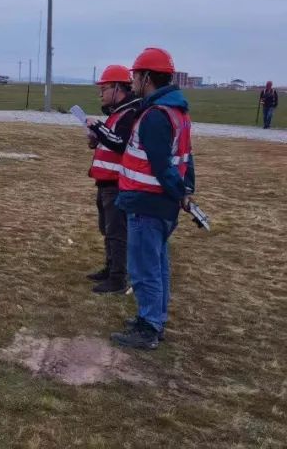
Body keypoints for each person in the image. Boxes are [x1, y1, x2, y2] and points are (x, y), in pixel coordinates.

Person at [111, 47, 196, 350]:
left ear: (147, 77)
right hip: (160, 204)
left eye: (135, 75)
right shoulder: (177, 113)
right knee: (157, 265)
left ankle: (148, 327)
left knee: (145, 267)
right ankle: (154, 319)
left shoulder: (156, 116)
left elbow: (162, 166)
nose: (132, 80)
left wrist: (180, 193)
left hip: (148, 203)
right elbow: (187, 159)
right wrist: (186, 192)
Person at [84, 65, 140, 294]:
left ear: (118, 88)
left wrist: (98, 128)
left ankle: (118, 279)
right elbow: (111, 141)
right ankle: (110, 268)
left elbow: (121, 143)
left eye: (104, 88)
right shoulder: (117, 113)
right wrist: (95, 139)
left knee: (117, 231)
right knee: (108, 229)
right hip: (105, 181)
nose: (101, 94)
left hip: (117, 183)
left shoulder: (129, 114)